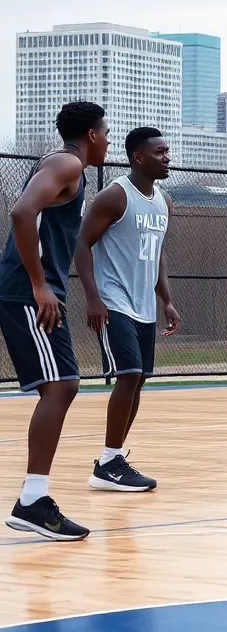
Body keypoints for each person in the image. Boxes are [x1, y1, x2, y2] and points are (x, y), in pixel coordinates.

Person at [0, 101, 109, 540]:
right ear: (93, 135)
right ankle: (32, 501)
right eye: (105, 131)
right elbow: (22, 213)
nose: (107, 139)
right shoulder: (67, 163)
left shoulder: (66, 167)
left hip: (33, 290)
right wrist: (40, 284)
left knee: (63, 384)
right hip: (28, 292)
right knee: (61, 385)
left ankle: (34, 497)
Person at [74, 127, 180, 493]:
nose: (167, 157)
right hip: (112, 300)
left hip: (144, 305)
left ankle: (113, 459)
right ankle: (108, 461)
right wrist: (92, 297)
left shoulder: (164, 202)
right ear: (138, 157)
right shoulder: (114, 197)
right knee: (129, 374)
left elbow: (158, 252)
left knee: (139, 379)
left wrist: (166, 299)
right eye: (160, 152)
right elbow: (82, 244)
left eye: (167, 151)